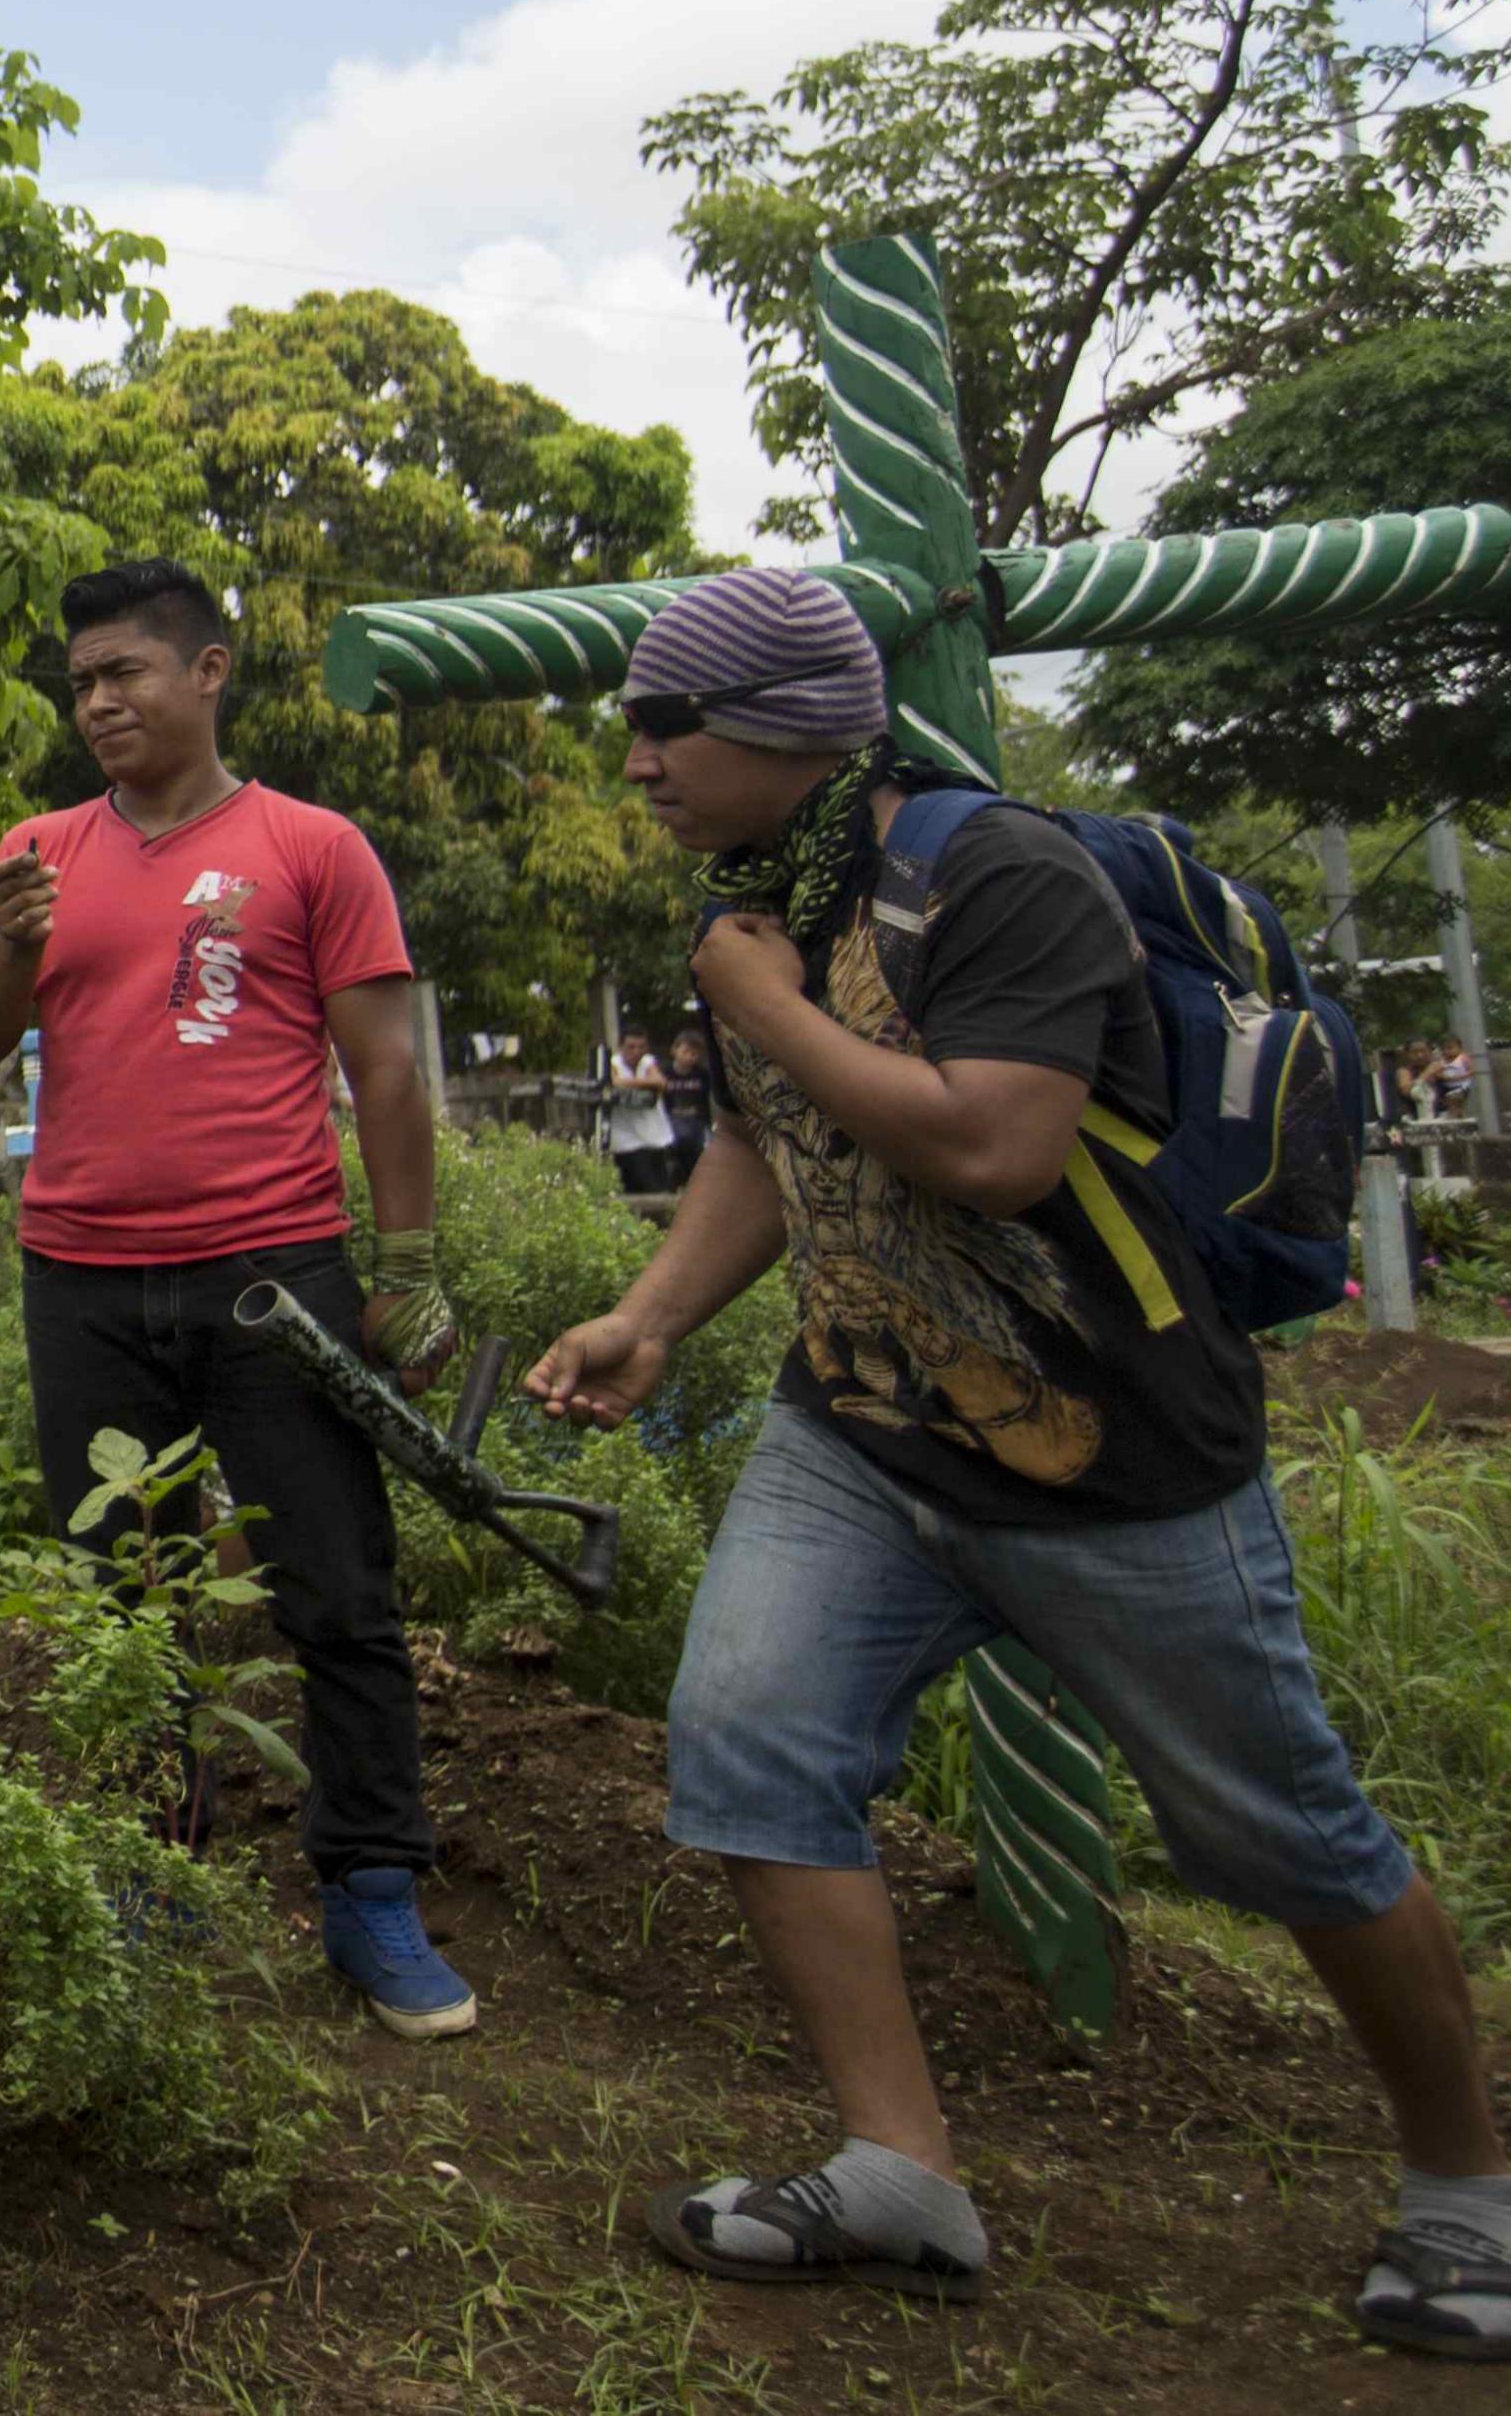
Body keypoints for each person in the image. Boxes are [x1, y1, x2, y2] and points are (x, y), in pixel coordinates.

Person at [529, 570, 1510, 2351]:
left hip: (1116, 1454)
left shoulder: (998, 875)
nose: (641, 757)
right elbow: (775, 1141)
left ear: (794, 728)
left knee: (1276, 1828)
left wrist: (761, 1006)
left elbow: (996, 1144)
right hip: (865, 1425)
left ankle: (1466, 2188)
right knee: (750, 1739)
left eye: (672, 723)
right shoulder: (772, 896)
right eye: (635, 722)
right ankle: (899, 2167)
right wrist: (652, 1312)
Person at [0, 557, 470, 2042]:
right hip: (83, 1277)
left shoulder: (311, 847)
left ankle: (371, 1889)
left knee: (337, 1593)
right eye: (82, 680)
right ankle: (145, 1874)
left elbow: (388, 1072)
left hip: (274, 1282)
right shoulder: (39, 852)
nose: (99, 702)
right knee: (123, 1597)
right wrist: (15, 941)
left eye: (127, 673)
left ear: (210, 671)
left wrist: (406, 1271)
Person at [604, 1028, 680, 1194]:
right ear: (621, 1046)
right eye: (631, 1047)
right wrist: (646, 1083)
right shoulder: (613, 1063)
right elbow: (614, 1082)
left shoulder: (647, 1062)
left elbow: (660, 1082)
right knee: (643, 1186)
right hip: (627, 1139)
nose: (636, 1052)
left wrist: (630, 1082)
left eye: (641, 1047)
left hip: (654, 1135)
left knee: (663, 1186)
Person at [661, 1023, 714, 1181]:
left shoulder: (701, 1075)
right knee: (679, 1142)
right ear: (674, 1050)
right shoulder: (665, 1073)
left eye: (694, 1054)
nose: (689, 1057)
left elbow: (706, 1101)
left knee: (699, 1148)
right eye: (685, 1052)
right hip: (672, 1120)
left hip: (696, 1120)